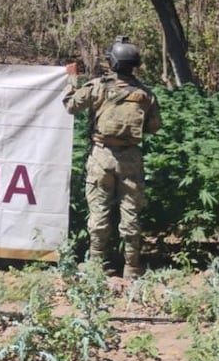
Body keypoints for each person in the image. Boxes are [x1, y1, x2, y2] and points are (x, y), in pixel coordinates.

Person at [63, 35, 162, 278]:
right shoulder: (145, 94)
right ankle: (132, 267)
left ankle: (97, 265)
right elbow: (154, 127)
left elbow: (71, 106)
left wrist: (70, 82)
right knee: (131, 213)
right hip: (131, 159)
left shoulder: (97, 86)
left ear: (113, 62)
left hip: (101, 156)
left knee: (99, 212)